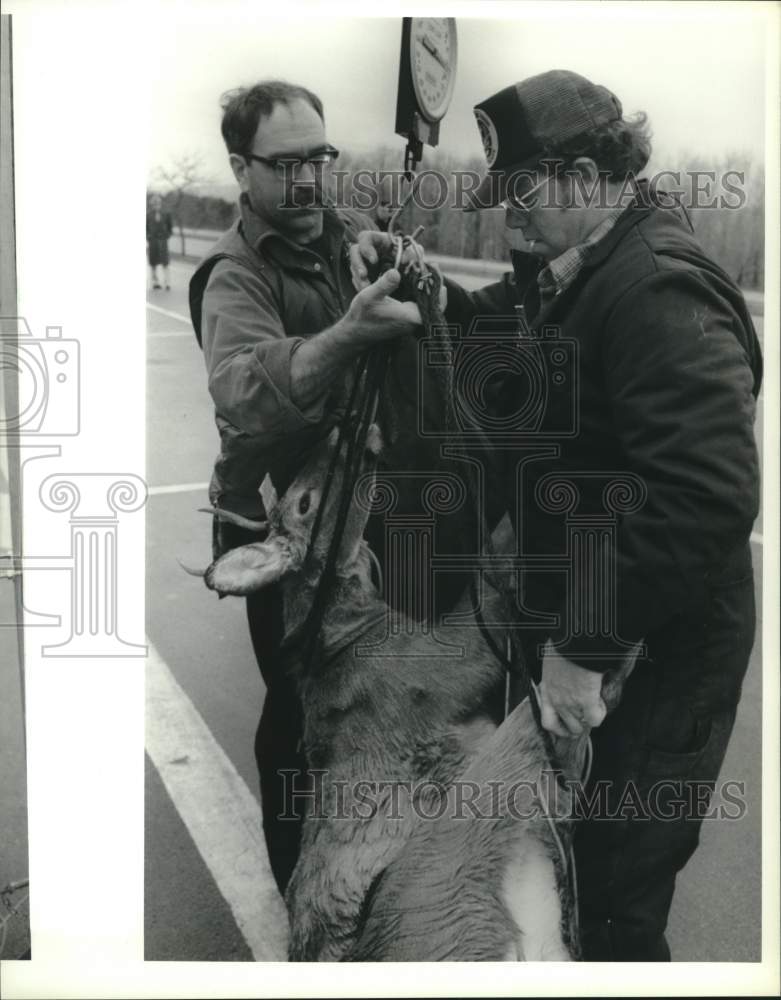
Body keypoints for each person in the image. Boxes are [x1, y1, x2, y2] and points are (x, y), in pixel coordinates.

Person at [351, 69, 762, 961]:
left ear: (581, 176)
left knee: (612, 896)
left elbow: (707, 495)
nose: (511, 219)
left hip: (652, 653)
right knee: (553, 872)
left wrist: (584, 646)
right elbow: (497, 325)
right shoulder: (579, 268)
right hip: (598, 635)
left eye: (522, 195)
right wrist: (421, 283)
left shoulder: (654, 288)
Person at [188, 80, 452, 895]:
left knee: (387, 686)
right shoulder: (233, 276)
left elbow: (428, 338)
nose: (310, 179)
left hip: (372, 518)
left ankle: (381, 866)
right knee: (305, 710)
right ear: (241, 166)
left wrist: (420, 284)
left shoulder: (353, 240)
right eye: (287, 162)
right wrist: (347, 334)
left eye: (320, 157)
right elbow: (243, 394)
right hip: (286, 533)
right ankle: (300, 886)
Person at [146, 193, 173, 290]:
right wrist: (148, 237)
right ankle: (155, 282)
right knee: (153, 262)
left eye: (157, 203)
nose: (156, 205)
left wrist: (167, 235)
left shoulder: (166, 214)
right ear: (151, 205)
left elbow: (170, 227)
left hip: (163, 241)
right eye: (154, 204)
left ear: (160, 204)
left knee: (165, 262)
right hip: (153, 242)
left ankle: (167, 282)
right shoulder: (148, 215)